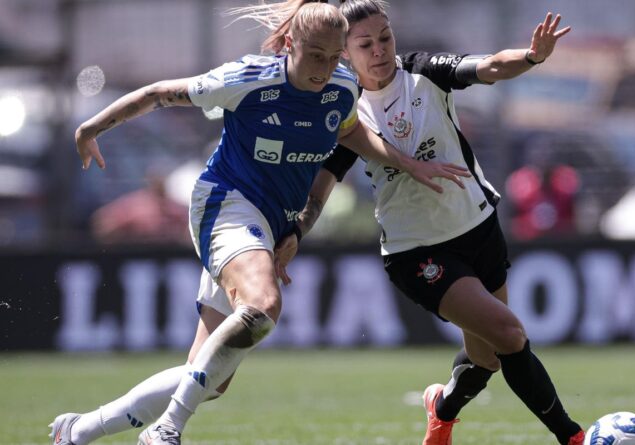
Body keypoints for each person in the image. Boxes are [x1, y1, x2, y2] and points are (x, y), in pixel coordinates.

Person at [48, 2, 469, 444]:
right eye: (315, 56)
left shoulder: (343, 86)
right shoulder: (248, 79)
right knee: (264, 305)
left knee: (210, 378)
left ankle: (76, 430)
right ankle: (166, 430)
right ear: (289, 44)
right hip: (226, 205)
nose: (325, 68)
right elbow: (158, 93)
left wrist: (405, 164)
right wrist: (91, 128)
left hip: (268, 225)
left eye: (334, 57)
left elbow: (349, 132)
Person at [272, 2, 585, 444]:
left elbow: (491, 66)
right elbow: (319, 191)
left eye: (385, 38)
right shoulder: (345, 109)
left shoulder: (423, 71)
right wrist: (297, 232)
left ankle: (441, 410)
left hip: (478, 228)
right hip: (418, 251)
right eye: (366, 44)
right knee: (509, 333)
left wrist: (532, 57)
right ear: (345, 53)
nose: (379, 50)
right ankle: (573, 437)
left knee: (487, 358)